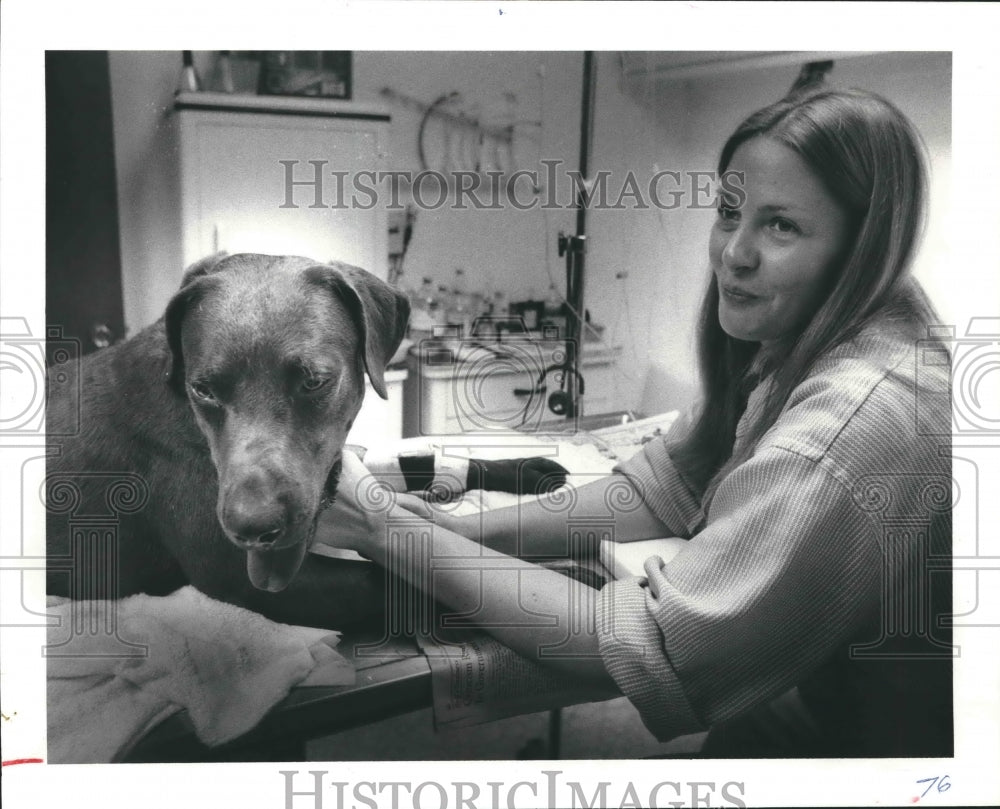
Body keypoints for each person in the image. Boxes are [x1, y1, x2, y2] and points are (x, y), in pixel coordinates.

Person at [322, 86, 953, 758]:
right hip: (818, 690)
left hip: (893, 748)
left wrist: (384, 529)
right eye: (729, 211)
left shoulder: (854, 421)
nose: (733, 253)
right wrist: (454, 531)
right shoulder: (816, 327)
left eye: (782, 226)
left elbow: (636, 647)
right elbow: (663, 488)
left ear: (861, 247)